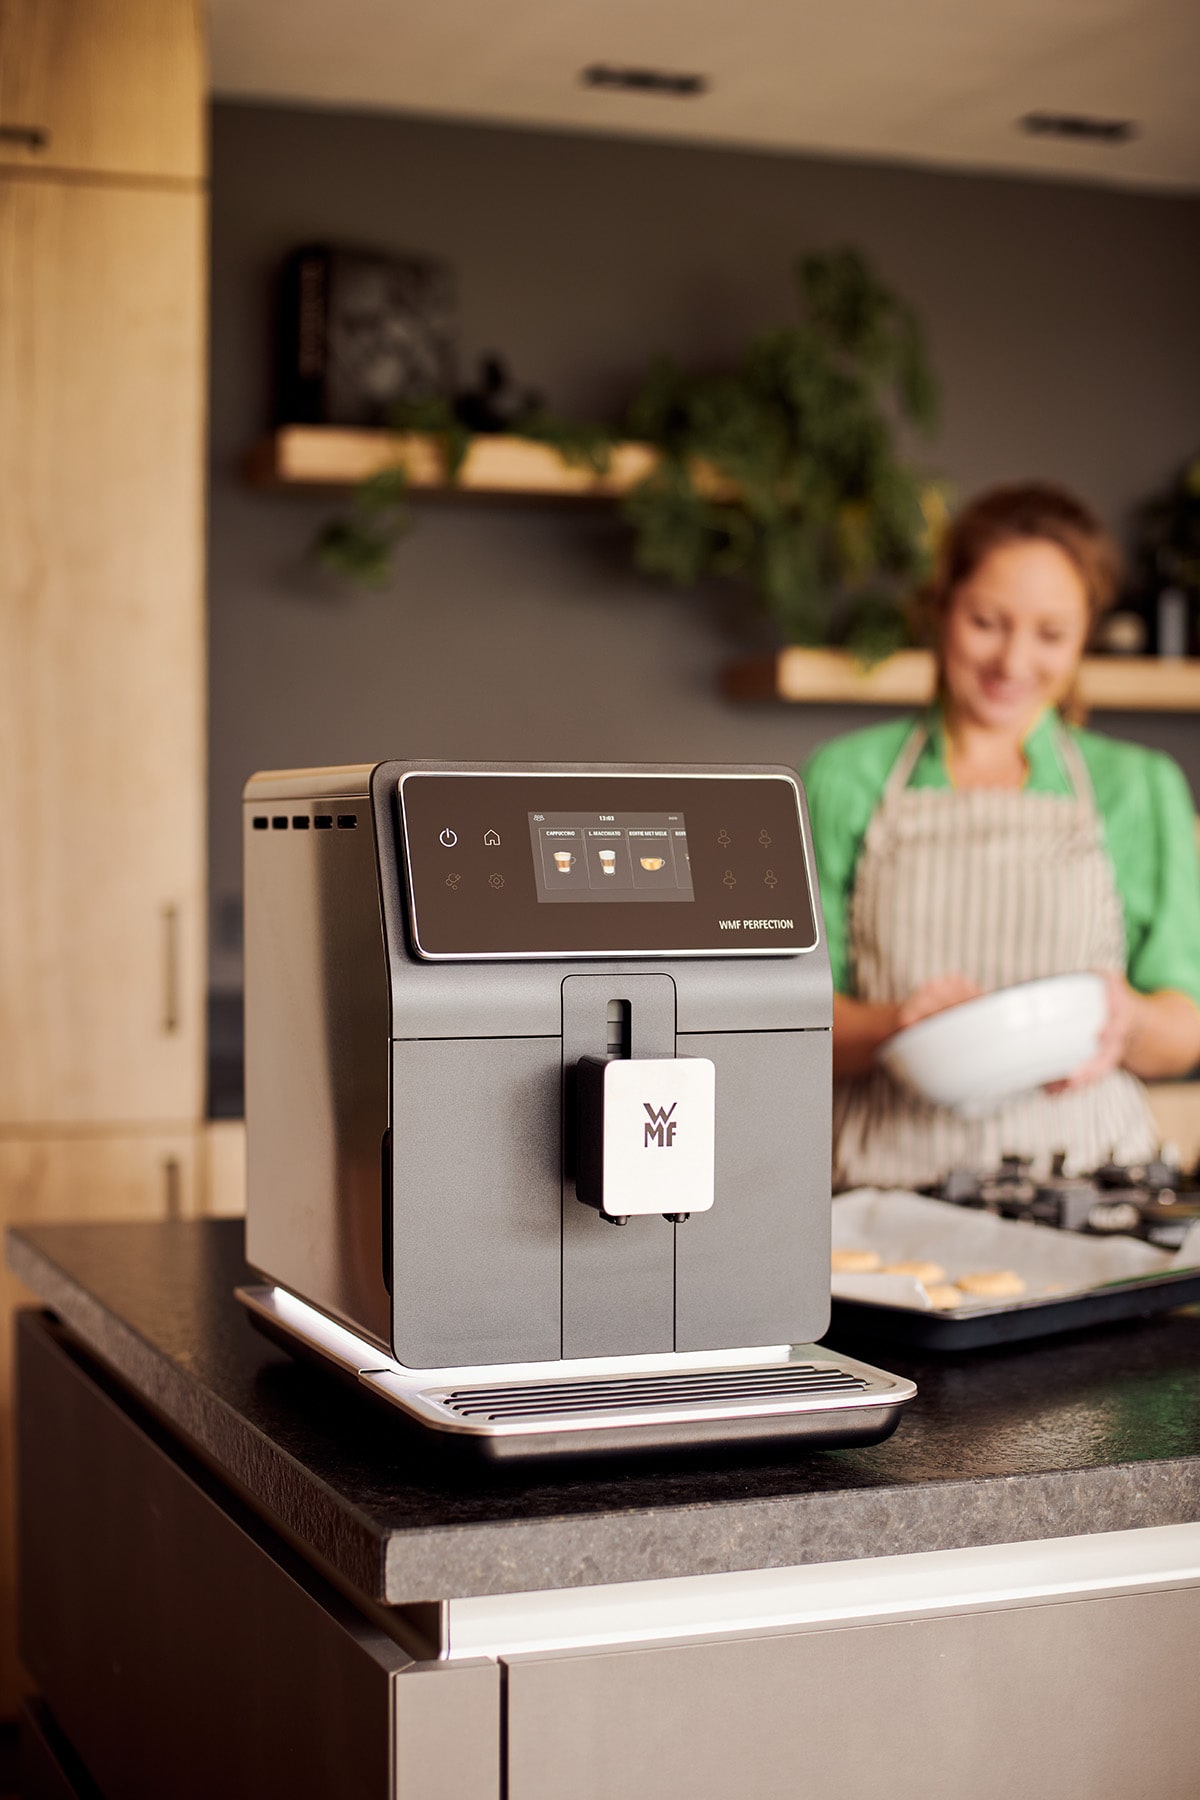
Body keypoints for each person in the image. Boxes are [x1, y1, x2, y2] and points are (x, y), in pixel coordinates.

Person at [803, 482, 1200, 1190]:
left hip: (1094, 1182)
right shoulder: (844, 779)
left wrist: (1128, 1023)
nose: (1014, 662)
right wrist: (891, 1023)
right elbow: (789, 1017)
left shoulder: (1139, 786)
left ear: (1084, 635)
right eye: (988, 621)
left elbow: (1184, 1025)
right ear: (942, 607)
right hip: (881, 1187)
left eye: (1051, 634)